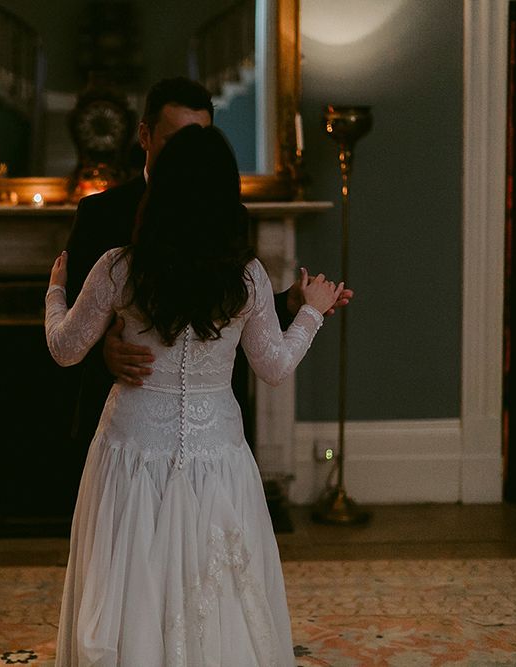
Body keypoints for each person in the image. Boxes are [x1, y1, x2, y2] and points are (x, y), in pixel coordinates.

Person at [46, 124, 350, 665]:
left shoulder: (118, 267)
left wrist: (54, 292)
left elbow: (64, 350)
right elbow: (274, 367)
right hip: (217, 456)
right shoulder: (247, 278)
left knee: (130, 589)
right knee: (220, 594)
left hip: (131, 451)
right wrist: (311, 312)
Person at [64, 76, 352, 469]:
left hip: (208, 434)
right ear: (145, 136)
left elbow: (227, 305)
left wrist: (292, 303)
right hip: (124, 434)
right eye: (178, 140)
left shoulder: (230, 217)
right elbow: (70, 324)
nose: (192, 153)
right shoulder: (99, 215)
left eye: (201, 138)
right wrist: (104, 353)